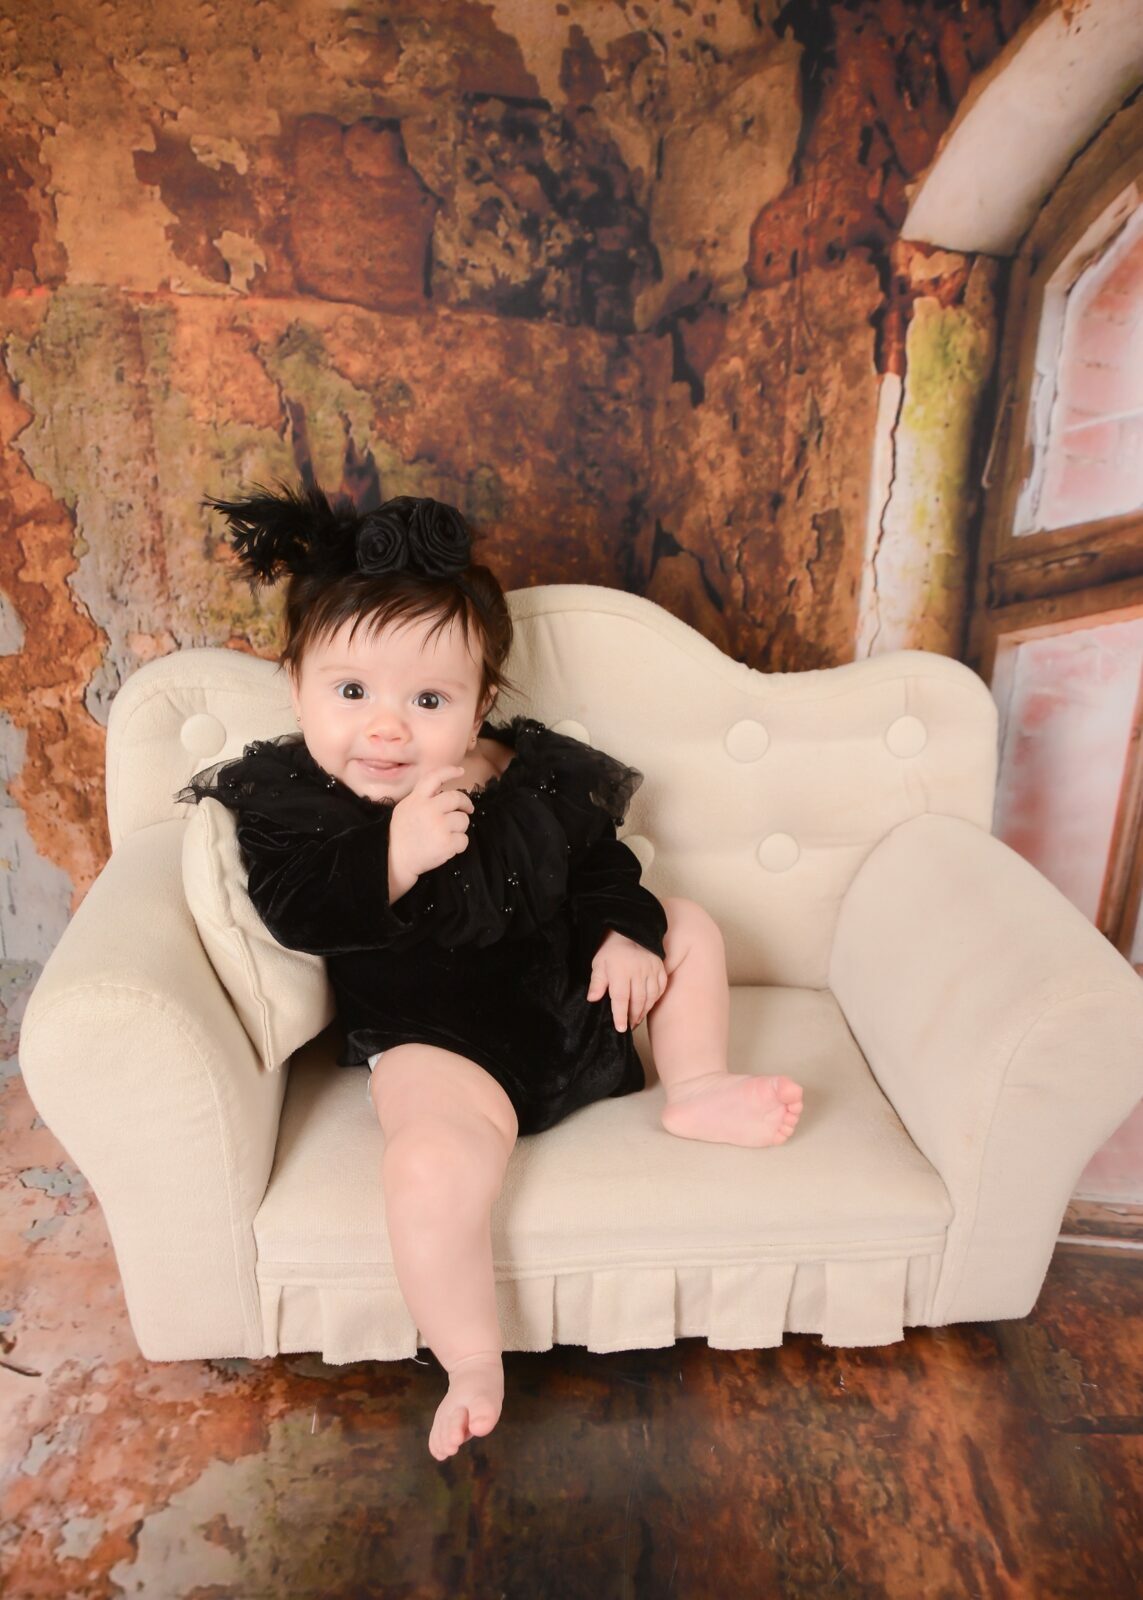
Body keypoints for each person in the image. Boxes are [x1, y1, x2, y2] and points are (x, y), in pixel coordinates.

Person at [181, 485, 803, 1461]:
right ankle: (471, 1358)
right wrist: (393, 852)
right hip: (440, 1045)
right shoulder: (295, 803)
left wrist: (623, 936)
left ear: (479, 707)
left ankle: (697, 1083)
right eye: (352, 693)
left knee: (685, 923)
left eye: (427, 701)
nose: (386, 729)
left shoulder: (532, 775)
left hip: (580, 1008)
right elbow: (298, 910)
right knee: (427, 1164)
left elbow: (603, 868)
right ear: (296, 687)